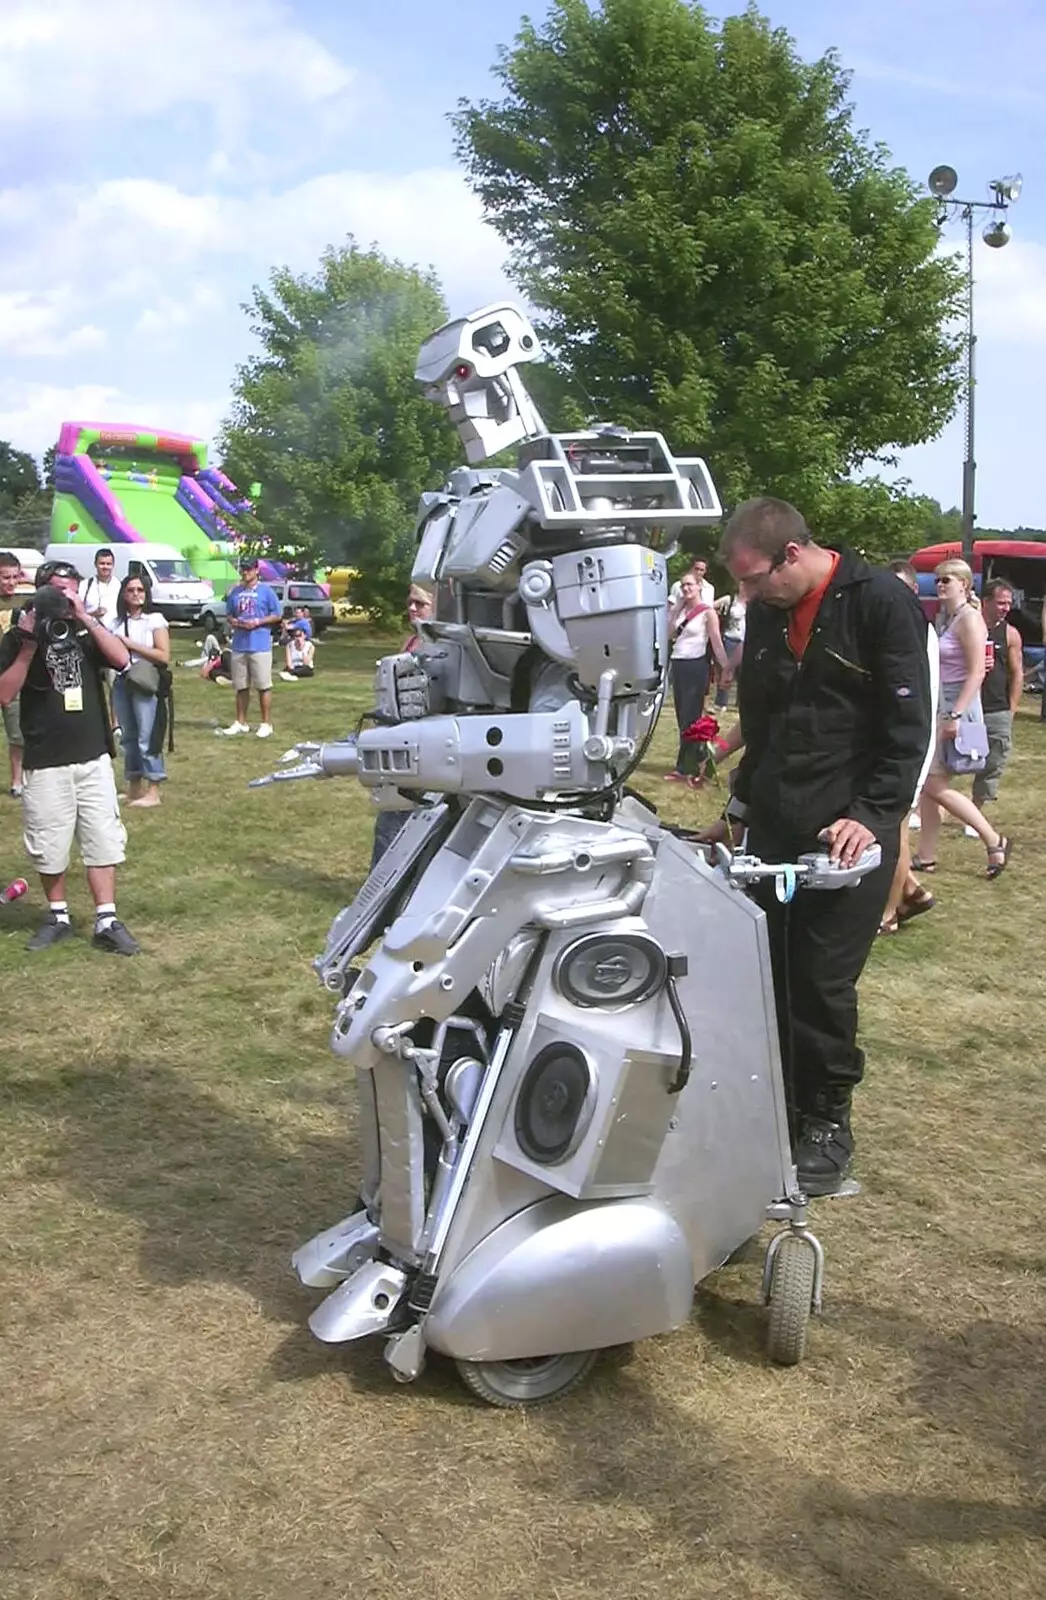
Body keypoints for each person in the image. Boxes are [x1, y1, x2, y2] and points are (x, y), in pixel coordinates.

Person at [702, 498, 931, 1195]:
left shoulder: (881, 603)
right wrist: (737, 810)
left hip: (847, 835)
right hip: (774, 823)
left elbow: (908, 726)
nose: (745, 595)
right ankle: (771, 1113)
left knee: (821, 983)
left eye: (753, 579)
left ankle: (827, 1123)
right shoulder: (770, 612)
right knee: (761, 972)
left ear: (794, 554)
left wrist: (872, 815)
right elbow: (765, 726)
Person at [0, 559, 139, 955]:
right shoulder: (18, 636)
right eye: (58, 590)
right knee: (49, 841)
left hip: (91, 753)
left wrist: (87, 619)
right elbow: (4, 694)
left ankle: (107, 920)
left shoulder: (83, 629)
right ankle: (57, 915)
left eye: (71, 589)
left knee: (103, 838)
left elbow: (122, 660)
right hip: (44, 757)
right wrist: (27, 649)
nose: (65, 597)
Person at [915, 560, 1011, 879]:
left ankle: (993, 839)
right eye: (938, 579)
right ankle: (925, 855)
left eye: (947, 580)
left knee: (932, 783)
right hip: (942, 704)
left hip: (957, 705)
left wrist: (955, 714)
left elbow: (977, 672)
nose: (940, 584)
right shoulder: (948, 618)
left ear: (965, 585)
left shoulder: (969, 620)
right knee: (931, 784)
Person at [878, 561, 940, 935]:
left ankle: (888, 912)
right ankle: (913, 891)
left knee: (896, 830)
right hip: (909, 735)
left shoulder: (916, 628)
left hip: (912, 739)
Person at [370, 585, 434, 868]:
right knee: (392, 819)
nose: (411, 608)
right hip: (402, 739)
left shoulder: (445, 647)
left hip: (427, 746)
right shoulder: (411, 642)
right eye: (410, 602)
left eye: (419, 603)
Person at [109, 573, 171, 807]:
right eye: (131, 590)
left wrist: (130, 644)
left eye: (140, 590)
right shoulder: (116, 622)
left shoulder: (155, 620)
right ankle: (134, 786)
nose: (136, 594)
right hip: (123, 681)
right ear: (123, 594)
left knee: (148, 736)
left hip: (144, 681)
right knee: (129, 736)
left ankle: (154, 788)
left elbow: (163, 655)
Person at [664, 573, 732, 784]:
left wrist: (726, 667)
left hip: (696, 665)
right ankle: (702, 758)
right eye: (683, 585)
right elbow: (667, 635)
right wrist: (675, 611)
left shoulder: (707, 612)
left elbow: (716, 642)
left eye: (690, 585)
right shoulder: (681, 611)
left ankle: (685, 768)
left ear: (699, 587)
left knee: (690, 717)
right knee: (681, 716)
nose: (686, 589)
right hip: (678, 663)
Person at [971, 578, 1023, 817]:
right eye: (1001, 602)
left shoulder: (1010, 634)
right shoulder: (967, 626)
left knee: (993, 764)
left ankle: (975, 814)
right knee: (946, 760)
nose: (1006, 608)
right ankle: (924, 808)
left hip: (996, 709)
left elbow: (1017, 673)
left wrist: (1011, 709)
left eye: (1009, 603)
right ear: (986, 602)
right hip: (967, 705)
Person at [217, 557, 281, 738]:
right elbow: (229, 614)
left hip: (259, 645)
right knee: (241, 686)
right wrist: (235, 621)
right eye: (243, 569)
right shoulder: (235, 592)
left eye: (249, 569)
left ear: (256, 570)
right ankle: (241, 722)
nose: (245, 572)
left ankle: (266, 723)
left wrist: (259, 622)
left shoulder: (266, 592)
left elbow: (277, 615)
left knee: (263, 685)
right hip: (239, 644)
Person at [0, 551, 26, 796]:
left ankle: (17, 781)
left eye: (14, 577)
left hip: (10, 676)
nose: (10, 582)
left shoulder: (24, 604)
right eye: (5, 577)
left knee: (17, 732)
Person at [79, 548, 121, 628]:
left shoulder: (119, 585)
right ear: (95, 564)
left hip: (115, 634)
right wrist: (93, 613)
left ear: (113, 565)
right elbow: (79, 613)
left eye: (109, 564)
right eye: (102, 563)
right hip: (91, 632)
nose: (105, 567)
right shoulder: (85, 585)